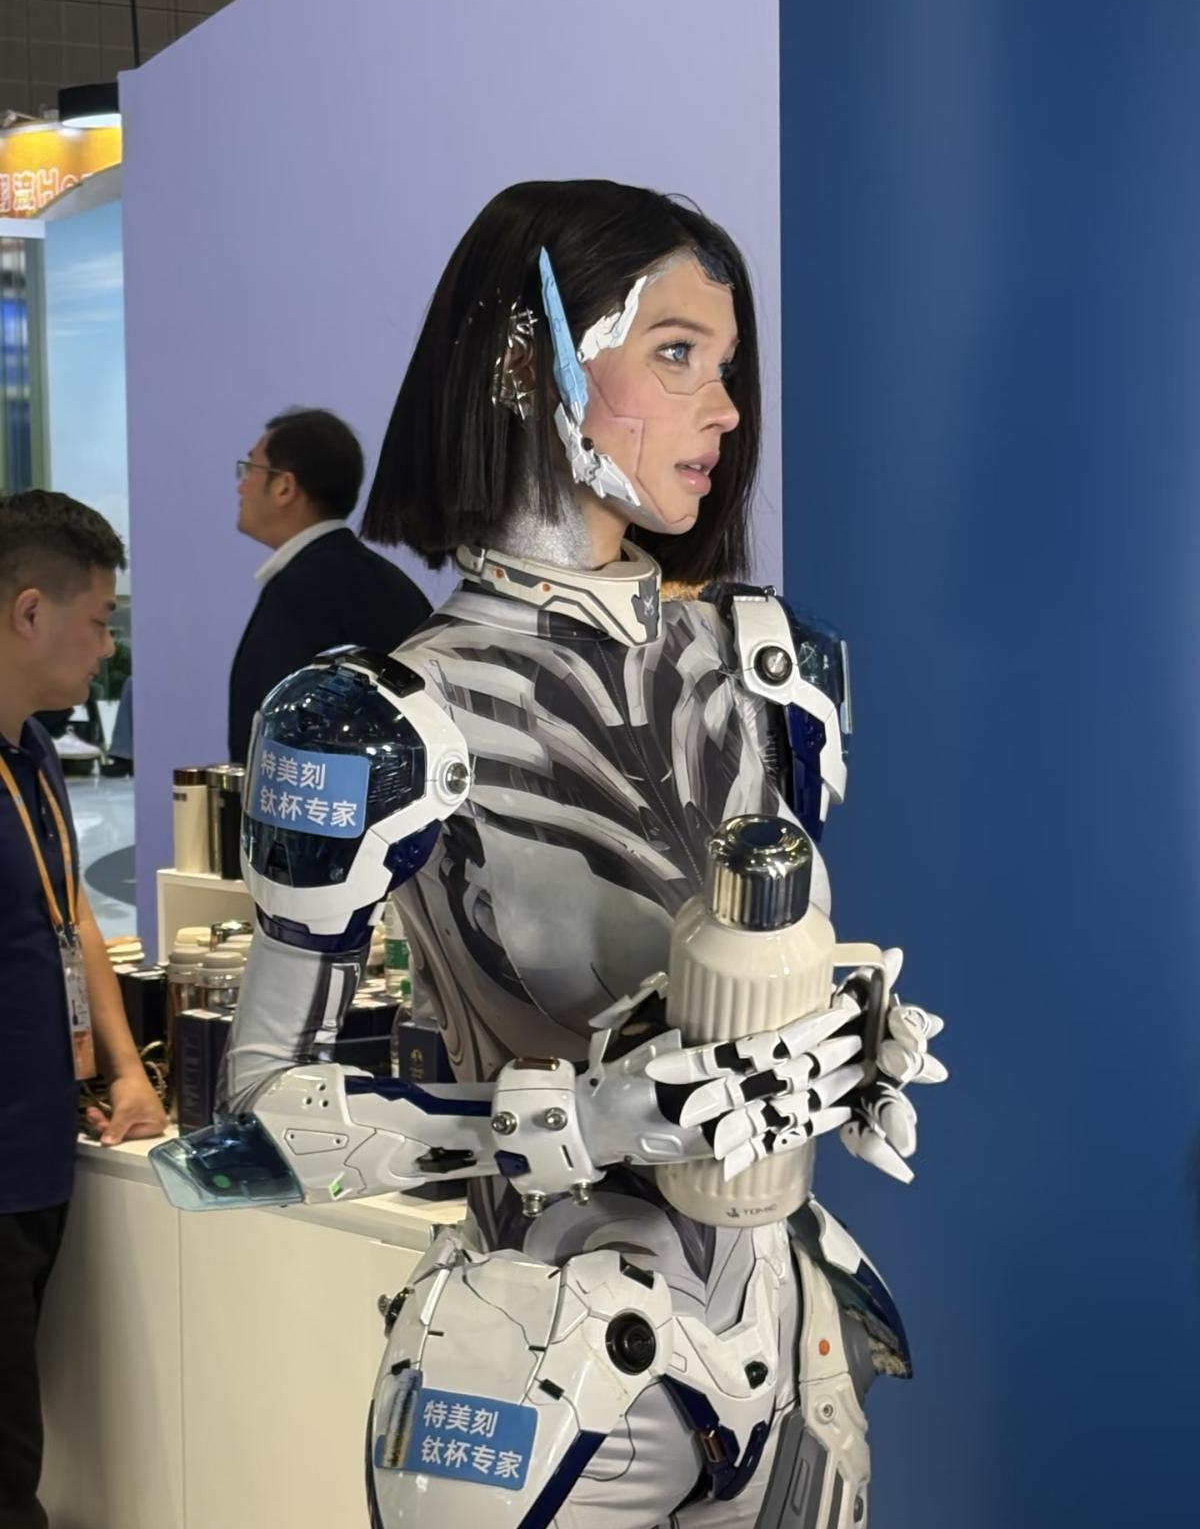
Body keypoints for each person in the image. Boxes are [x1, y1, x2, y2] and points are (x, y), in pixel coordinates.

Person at [154, 182, 946, 1528]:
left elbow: (746, 964)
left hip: (789, 1336)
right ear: (533, 366)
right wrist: (586, 1119)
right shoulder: (376, 721)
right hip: (546, 1364)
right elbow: (251, 1134)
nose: (727, 411)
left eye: (729, 366)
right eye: (679, 354)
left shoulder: (774, 670)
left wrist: (838, 1047)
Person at [0, 489, 167, 1529]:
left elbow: (76, 921)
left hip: (38, 1159)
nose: (109, 649)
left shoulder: (33, 755)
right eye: (100, 621)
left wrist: (127, 1069)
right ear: (31, 612)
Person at [227, 406, 432, 763]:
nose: (241, 485)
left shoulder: (301, 592)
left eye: (250, 468)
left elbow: (275, 736)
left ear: (284, 487)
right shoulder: (387, 581)